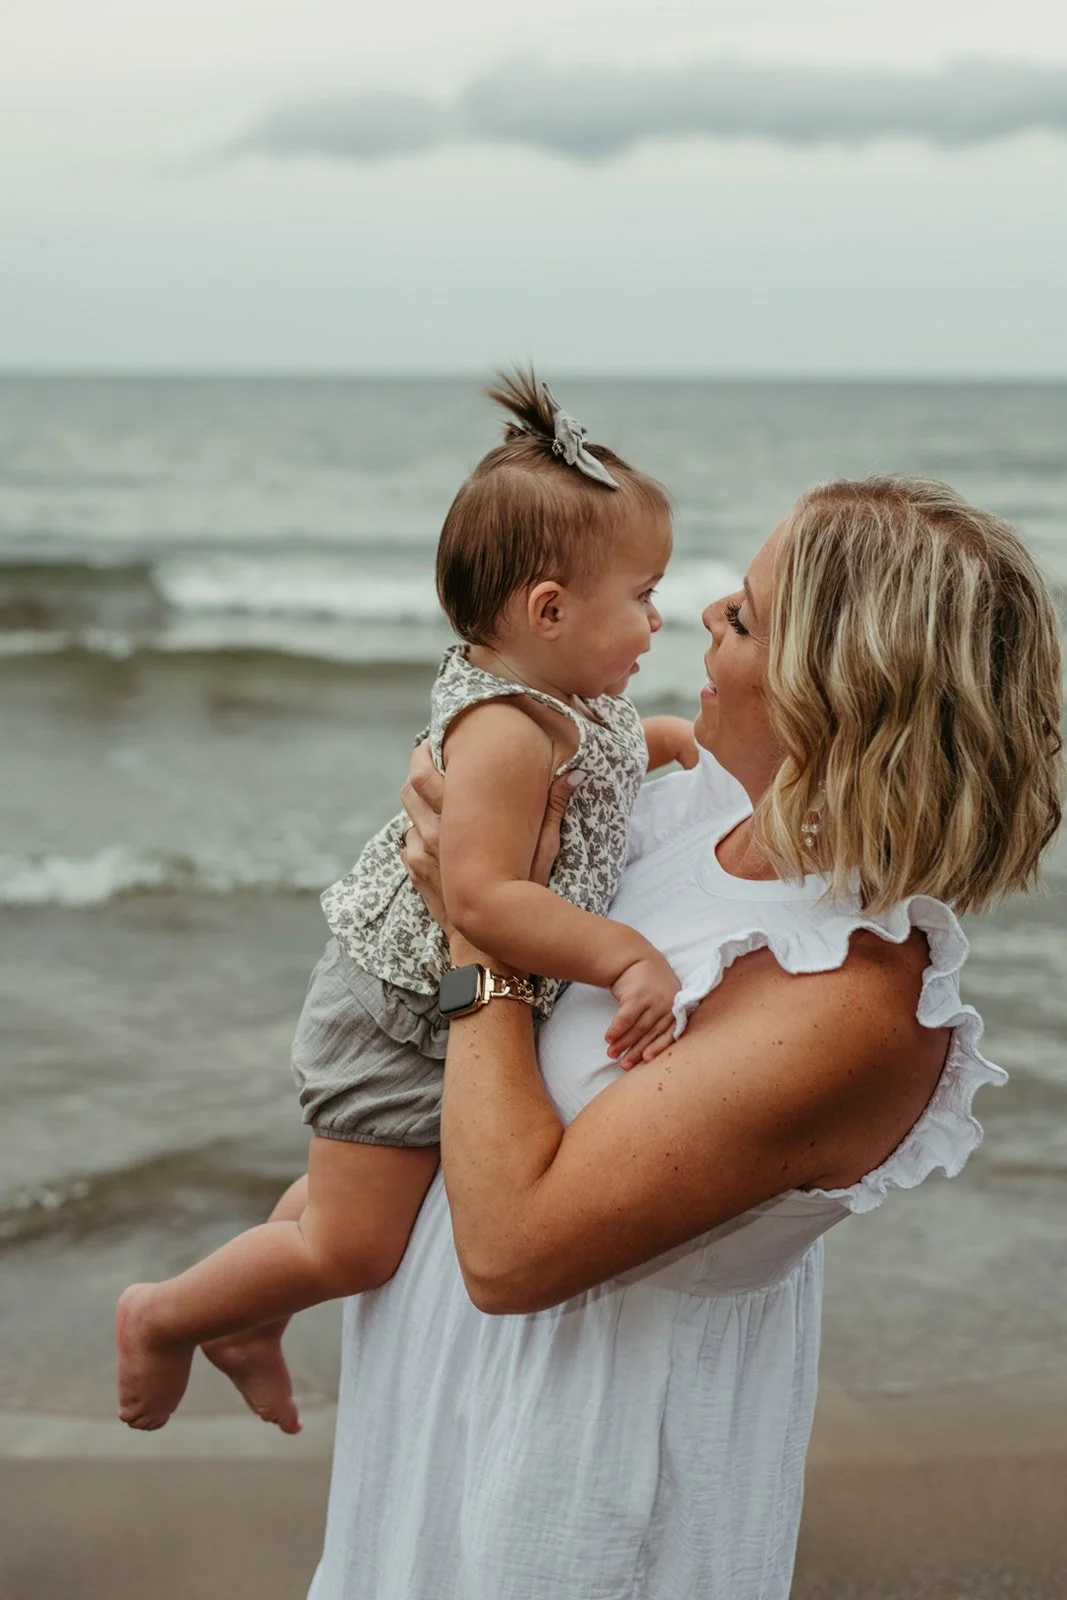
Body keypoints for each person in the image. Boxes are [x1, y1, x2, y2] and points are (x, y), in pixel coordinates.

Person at [304, 476, 1062, 1598]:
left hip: (576, 1480)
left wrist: (478, 939)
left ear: (836, 694)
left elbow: (510, 1252)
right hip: (439, 1413)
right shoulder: (689, 812)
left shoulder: (849, 1001)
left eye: (744, 617)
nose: (706, 612)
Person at [115, 372, 700, 1431]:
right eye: (642, 597)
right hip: (395, 1012)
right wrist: (623, 955)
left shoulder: (571, 699)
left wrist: (671, 746)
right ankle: (165, 1315)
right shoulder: (505, 732)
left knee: (360, 1191)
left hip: (427, 1003)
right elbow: (479, 897)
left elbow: (613, 755)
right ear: (549, 611)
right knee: (352, 1244)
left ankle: (250, 1320)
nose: (658, 621)